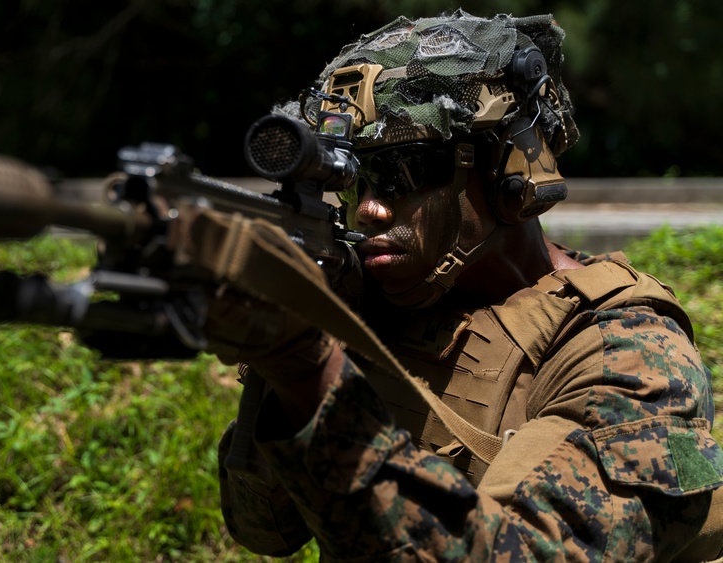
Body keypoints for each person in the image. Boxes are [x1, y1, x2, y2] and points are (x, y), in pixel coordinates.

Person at [204, 11, 723, 561]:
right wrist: (283, 369)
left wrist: (307, 367)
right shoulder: (368, 305)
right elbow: (263, 528)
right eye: (356, 179)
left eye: (407, 172)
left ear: (509, 168)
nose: (372, 208)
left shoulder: (629, 349)